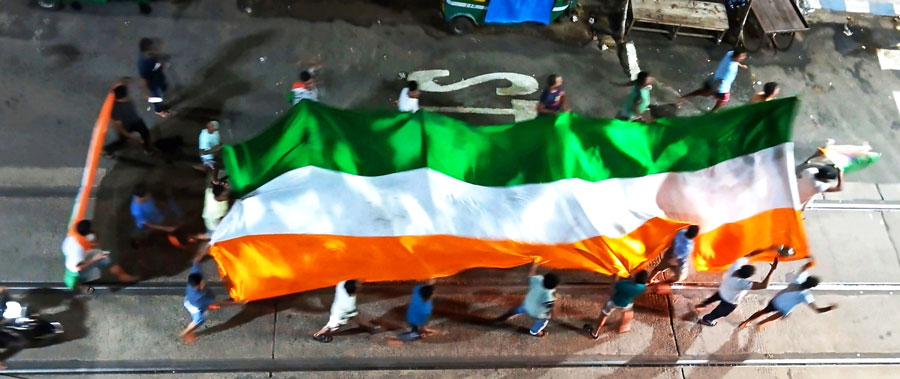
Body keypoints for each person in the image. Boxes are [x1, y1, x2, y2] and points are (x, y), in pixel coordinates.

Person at [738, 259, 836, 330]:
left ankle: (745, 322)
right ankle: (760, 325)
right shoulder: (805, 296)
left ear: (807, 279)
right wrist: (830, 308)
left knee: (762, 311)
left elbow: (803, 268)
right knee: (774, 318)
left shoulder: (798, 280)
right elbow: (817, 310)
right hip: (785, 309)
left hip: (777, 300)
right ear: (811, 287)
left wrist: (809, 264)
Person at [695, 247, 780, 326]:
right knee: (719, 313)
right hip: (730, 302)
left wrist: (766, 249)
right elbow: (763, 285)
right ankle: (706, 320)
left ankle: (702, 305)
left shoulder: (736, 265)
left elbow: (749, 255)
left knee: (712, 298)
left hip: (723, 290)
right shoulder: (741, 283)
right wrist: (772, 270)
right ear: (747, 277)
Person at [62, 220, 138, 293]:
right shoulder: (77, 250)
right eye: (92, 230)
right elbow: (79, 268)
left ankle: (110, 270)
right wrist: (95, 259)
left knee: (102, 257)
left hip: (83, 258)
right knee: (100, 260)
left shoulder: (73, 237)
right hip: (79, 270)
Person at [494, 260, 558, 337]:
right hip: (537, 314)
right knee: (543, 321)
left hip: (527, 305)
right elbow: (549, 308)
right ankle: (535, 332)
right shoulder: (548, 296)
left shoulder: (538, 280)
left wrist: (535, 265)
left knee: (518, 310)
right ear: (554, 286)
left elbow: (530, 275)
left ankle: (508, 315)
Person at [677, 47, 748, 112]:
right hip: (722, 88)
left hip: (714, 78)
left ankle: (683, 97)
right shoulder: (730, 69)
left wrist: (741, 65)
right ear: (738, 56)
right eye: (742, 56)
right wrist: (712, 91)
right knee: (723, 100)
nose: (744, 57)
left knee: (703, 91)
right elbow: (720, 81)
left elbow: (735, 61)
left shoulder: (729, 53)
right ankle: (711, 113)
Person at [585, 270, 651, 337]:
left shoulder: (623, 285)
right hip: (627, 303)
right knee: (628, 312)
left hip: (614, 302)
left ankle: (595, 332)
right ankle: (625, 326)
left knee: (604, 315)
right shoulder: (643, 287)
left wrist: (615, 277)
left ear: (635, 277)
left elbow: (613, 288)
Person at [180, 252, 228, 344]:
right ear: (197, 287)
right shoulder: (199, 297)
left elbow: (196, 259)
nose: (203, 282)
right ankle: (186, 332)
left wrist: (206, 247)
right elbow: (216, 304)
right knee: (199, 320)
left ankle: (186, 333)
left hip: (189, 300)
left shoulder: (195, 275)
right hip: (195, 307)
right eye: (201, 283)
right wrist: (237, 303)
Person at [312, 280, 380, 343]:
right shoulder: (349, 303)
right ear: (354, 291)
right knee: (330, 326)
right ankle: (317, 335)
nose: (360, 286)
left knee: (353, 316)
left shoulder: (341, 285)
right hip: (339, 316)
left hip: (338, 308)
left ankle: (366, 326)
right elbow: (354, 315)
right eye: (358, 286)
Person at [103, 81, 155, 158]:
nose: (128, 98)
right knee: (123, 142)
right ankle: (107, 150)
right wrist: (131, 137)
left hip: (136, 120)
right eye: (125, 98)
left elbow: (122, 84)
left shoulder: (124, 96)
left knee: (145, 133)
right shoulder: (116, 109)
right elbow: (119, 127)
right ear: (119, 99)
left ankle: (148, 149)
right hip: (125, 126)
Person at [137, 38, 170, 117]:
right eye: (152, 47)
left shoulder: (150, 56)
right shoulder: (143, 63)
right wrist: (146, 93)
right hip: (153, 85)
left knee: (162, 91)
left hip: (159, 79)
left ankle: (160, 102)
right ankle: (158, 111)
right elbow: (143, 80)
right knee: (157, 98)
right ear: (148, 48)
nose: (154, 48)